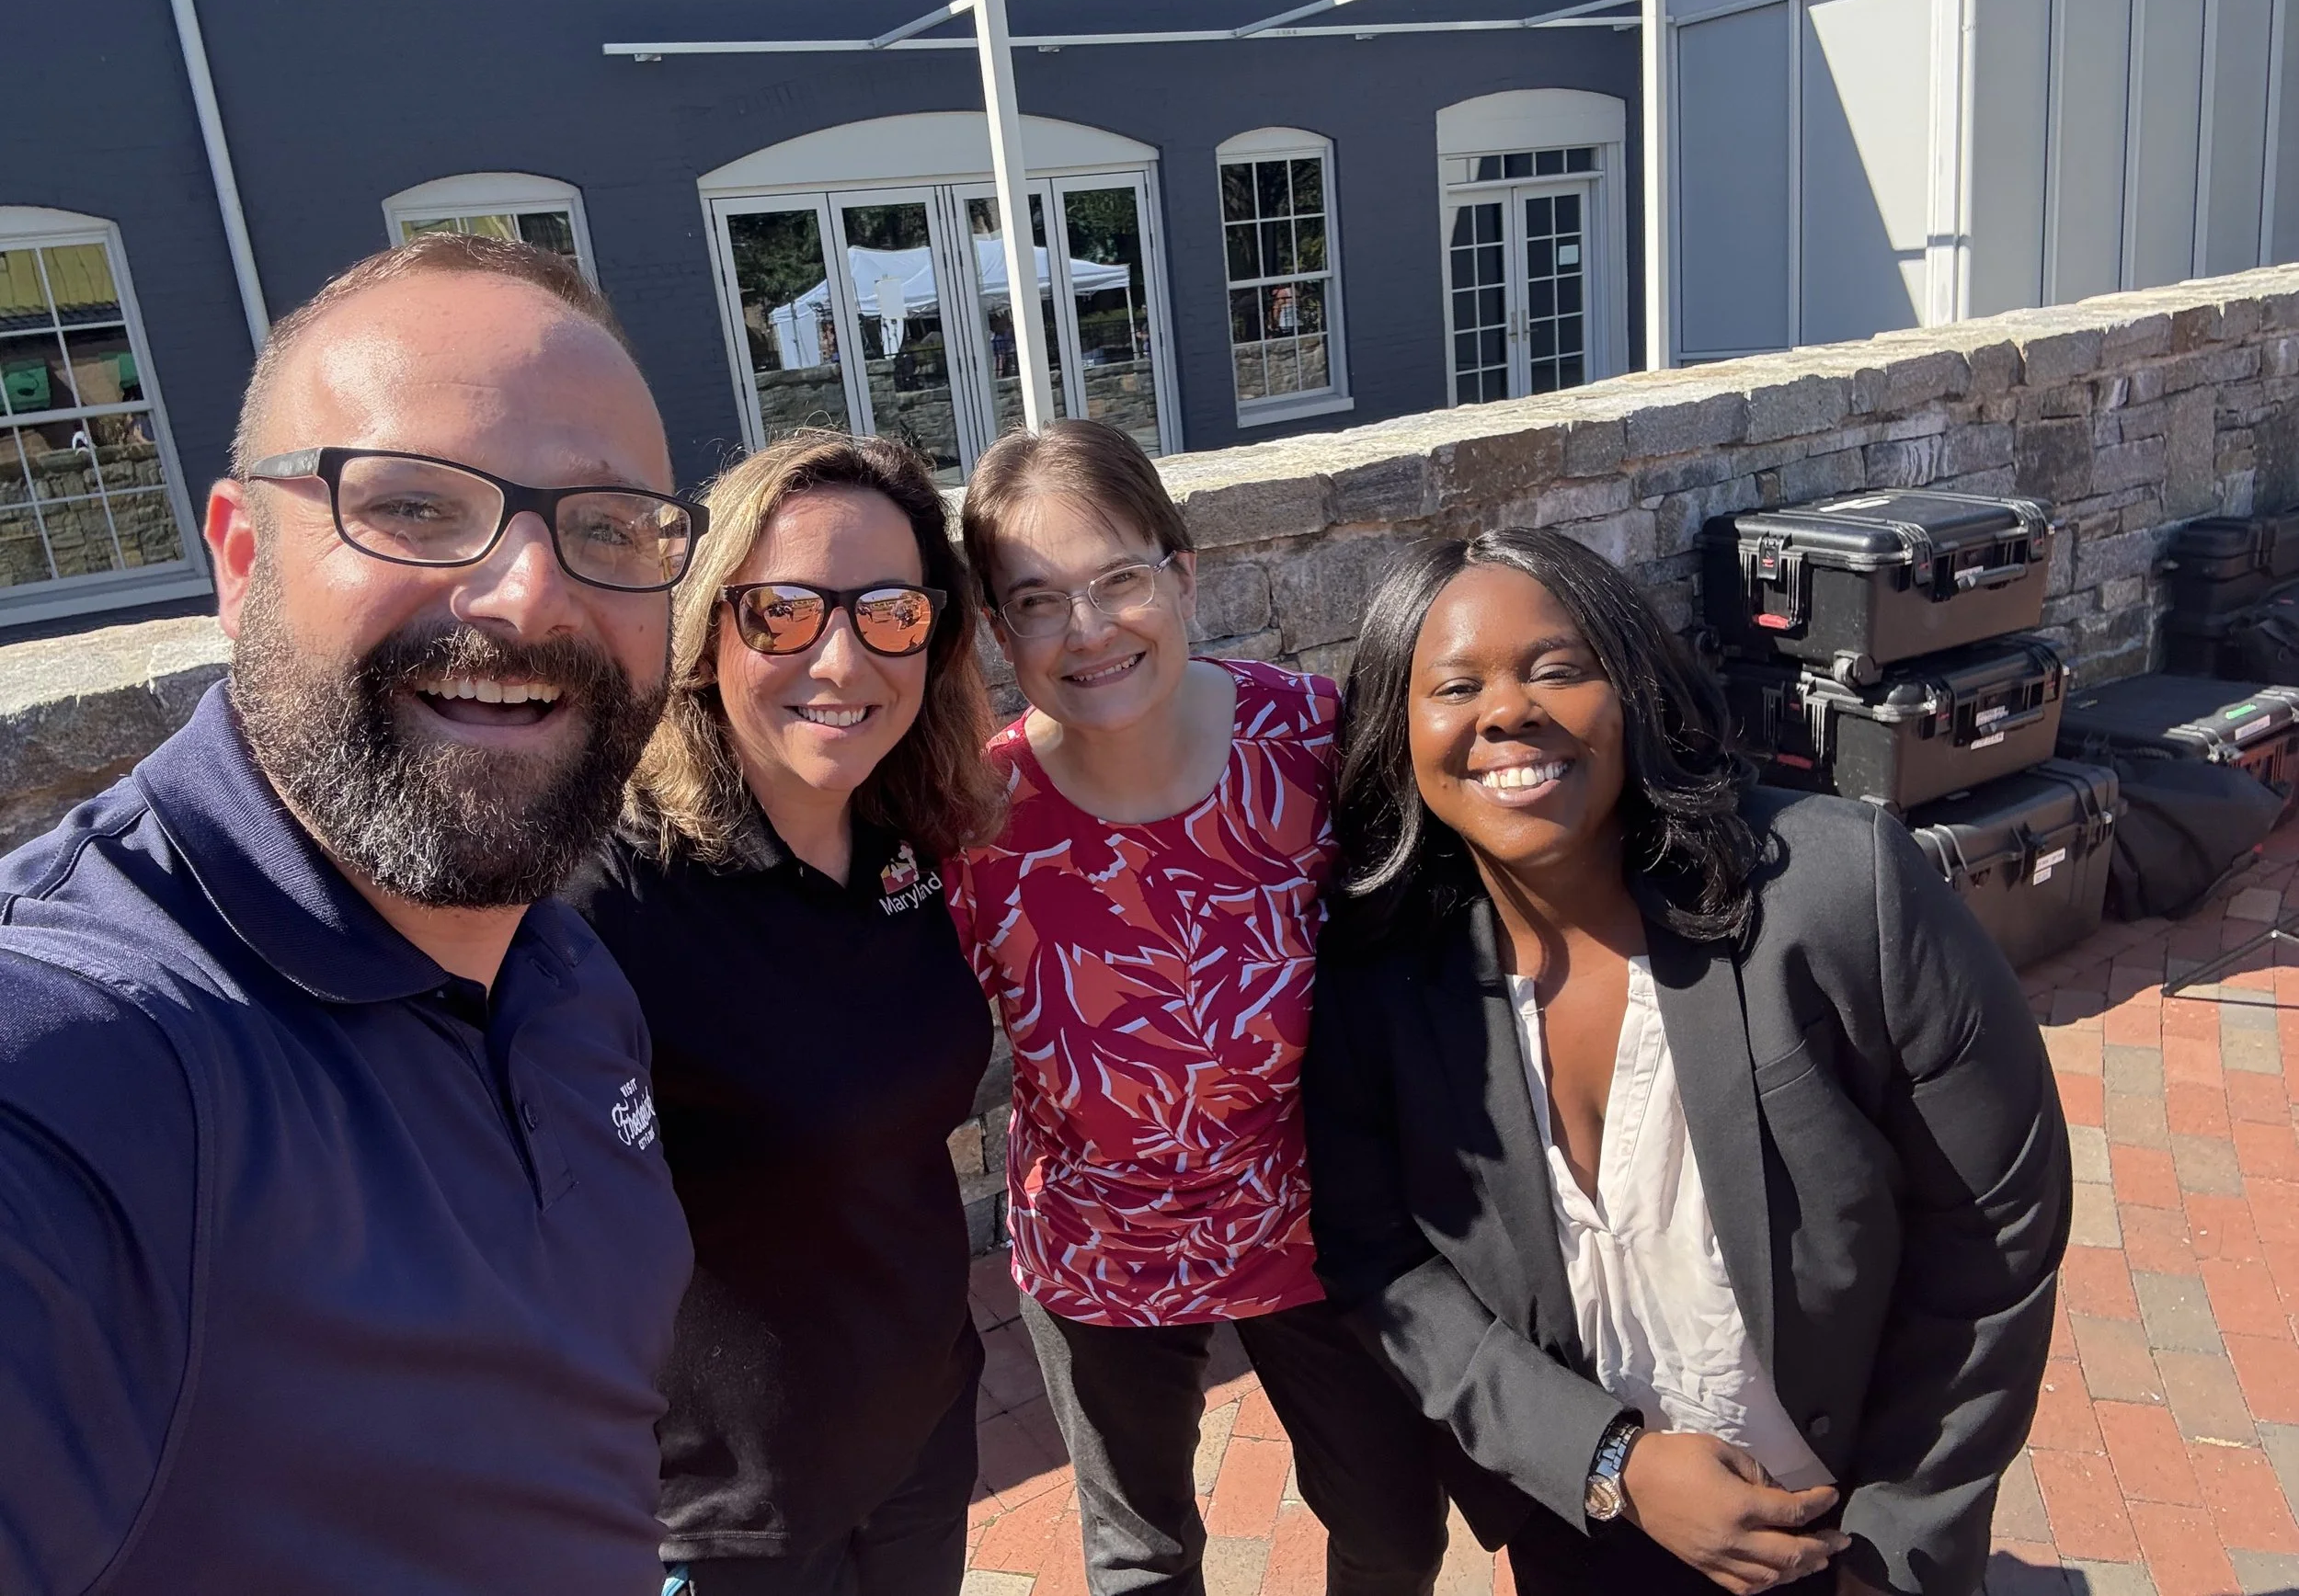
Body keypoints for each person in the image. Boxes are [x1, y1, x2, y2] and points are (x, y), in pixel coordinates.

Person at [0, 235, 701, 1596]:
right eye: (418, 506)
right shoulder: (85, 1066)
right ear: (242, 554)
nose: (526, 592)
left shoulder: (559, 966)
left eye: (610, 525)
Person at [1302, 528, 2072, 1596]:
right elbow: (1380, 1260)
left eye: (1556, 669)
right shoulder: (1377, 978)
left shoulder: (1839, 893)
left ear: (1633, 692)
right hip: (1583, 1526)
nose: (1506, 710)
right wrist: (1605, 1461)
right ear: (1400, 738)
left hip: (1843, 1539)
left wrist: (1893, 1554)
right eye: (1454, 686)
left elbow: (1994, 1227)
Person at [948, 417, 1450, 1596]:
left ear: (1182, 573)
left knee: (1394, 1530)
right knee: (1142, 1559)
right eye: (1035, 599)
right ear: (995, 627)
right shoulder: (974, 819)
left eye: (1118, 578)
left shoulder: (1315, 742)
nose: (1086, 630)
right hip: (1098, 1251)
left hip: (1324, 1231)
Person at [562, 431, 1006, 1596]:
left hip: (918, 1432)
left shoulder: (906, 845)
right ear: (707, 635)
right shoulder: (611, 901)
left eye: (891, 613)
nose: (844, 658)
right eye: (784, 614)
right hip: (723, 1512)